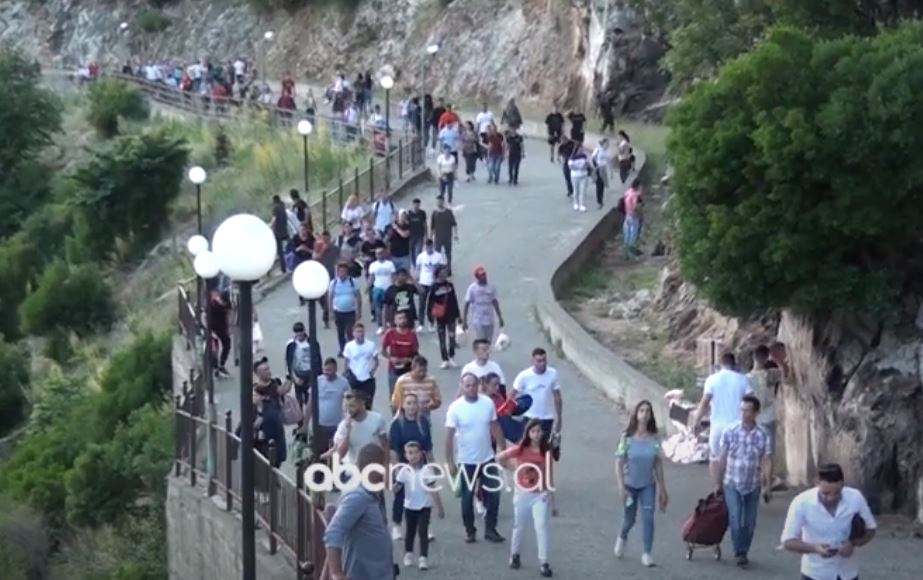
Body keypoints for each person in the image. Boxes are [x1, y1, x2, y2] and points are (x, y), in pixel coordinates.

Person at [781, 463, 877, 580]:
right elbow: (788, 542)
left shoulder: (855, 498)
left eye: (837, 493)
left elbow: (871, 529)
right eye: (825, 493)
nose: (831, 498)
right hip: (815, 573)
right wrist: (815, 549)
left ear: (842, 484)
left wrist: (853, 543)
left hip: (847, 573)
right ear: (817, 483)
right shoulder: (801, 503)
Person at [445, 373, 508, 543]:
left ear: (478, 385)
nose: (471, 388)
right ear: (462, 386)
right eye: (467, 386)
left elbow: (495, 426)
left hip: (487, 458)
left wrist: (503, 450)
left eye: (473, 385)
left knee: (494, 494)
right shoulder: (455, 408)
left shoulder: (487, 403)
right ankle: (470, 530)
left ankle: (490, 529)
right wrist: (450, 462)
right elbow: (449, 437)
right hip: (466, 461)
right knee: (467, 497)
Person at [715, 394, 772, 568]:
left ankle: (744, 549)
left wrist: (766, 486)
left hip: (753, 483)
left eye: (748, 410)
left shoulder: (763, 434)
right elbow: (722, 457)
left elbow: (766, 460)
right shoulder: (730, 431)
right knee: (735, 517)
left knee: (749, 522)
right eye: (742, 410)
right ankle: (738, 551)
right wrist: (718, 483)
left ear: (756, 412)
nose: (744, 414)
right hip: (732, 481)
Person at [323, 443, 395, 580]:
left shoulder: (371, 494)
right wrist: (336, 573)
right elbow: (333, 532)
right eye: (387, 465)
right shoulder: (358, 497)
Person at [613, 400, 669, 567]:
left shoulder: (654, 438)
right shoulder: (627, 437)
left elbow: (658, 464)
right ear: (636, 415)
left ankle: (646, 553)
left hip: (648, 485)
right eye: (641, 411)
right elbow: (619, 462)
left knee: (648, 518)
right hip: (630, 485)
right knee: (629, 519)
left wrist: (663, 489)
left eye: (648, 411)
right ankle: (622, 536)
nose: (644, 414)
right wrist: (621, 486)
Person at [497, 419, 555, 577]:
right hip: (523, 493)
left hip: (540, 494)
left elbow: (550, 476)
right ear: (528, 433)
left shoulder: (546, 452)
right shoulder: (520, 449)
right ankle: (514, 554)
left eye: (539, 431)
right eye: (533, 431)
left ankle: (544, 562)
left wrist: (552, 499)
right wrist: (514, 469)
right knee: (520, 525)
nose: (537, 434)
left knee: (541, 527)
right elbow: (500, 457)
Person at [692, 351, 753, 484]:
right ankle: (736, 488)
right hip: (737, 426)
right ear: (734, 363)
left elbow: (705, 402)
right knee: (737, 460)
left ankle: (717, 488)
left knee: (715, 458)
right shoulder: (743, 379)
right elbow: (751, 401)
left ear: (720, 364)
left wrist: (696, 421)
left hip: (718, 427)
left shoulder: (712, 380)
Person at [389, 394, 435, 541]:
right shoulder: (397, 424)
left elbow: (428, 447)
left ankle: (425, 526)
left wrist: (433, 466)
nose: (412, 406)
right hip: (403, 464)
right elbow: (394, 450)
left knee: (424, 495)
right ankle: (397, 525)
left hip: (421, 465)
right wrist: (396, 469)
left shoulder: (423, 422)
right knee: (401, 495)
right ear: (403, 405)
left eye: (414, 403)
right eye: (408, 403)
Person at [394, 441, 445, 570]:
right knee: (410, 531)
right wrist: (390, 483)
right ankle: (408, 554)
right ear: (406, 456)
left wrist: (440, 507)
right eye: (410, 453)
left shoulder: (426, 470)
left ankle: (423, 557)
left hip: (424, 506)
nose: (414, 456)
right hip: (410, 506)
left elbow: (432, 489)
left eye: (416, 452)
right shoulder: (404, 471)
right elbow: (396, 489)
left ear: (422, 454)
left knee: (423, 531)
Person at [509, 348, 562, 441]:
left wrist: (559, 417)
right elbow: (511, 395)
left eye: (544, 360)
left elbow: (557, 397)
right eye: (539, 360)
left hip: (547, 418)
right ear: (533, 361)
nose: (542, 363)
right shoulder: (524, 376)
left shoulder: (553, 373)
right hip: (529, 417)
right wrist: (510, 413)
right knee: (528, 447)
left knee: (543, 447)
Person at [327, 390, 389, 467]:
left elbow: (385, 444)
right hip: (352, 468)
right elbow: (340, 455)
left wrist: (386, 465)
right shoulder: (343, 426)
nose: (349, 410)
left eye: (352, 406)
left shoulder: (378, 419)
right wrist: (347, 431)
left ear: (362, 403)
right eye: (346, 407)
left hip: (374, 466)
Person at [747, 345, 781, 454]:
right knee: (768, 453)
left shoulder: (745, 379)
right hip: (769, 418)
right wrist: (778, 361)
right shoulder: (771, 374)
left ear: (753, 356)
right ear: (767, 358)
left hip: (752, 419)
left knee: (753, 452)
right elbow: (787, 374)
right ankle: (766, 472)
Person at [427, 265, 461, 369]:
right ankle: (444, 359)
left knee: (452, 337)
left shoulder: (450, 285)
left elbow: (454, 299)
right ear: (438, 274)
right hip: (440, 317)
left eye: (446, 272)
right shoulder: (434, 287)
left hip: (451, 316)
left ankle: (451, 357)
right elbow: (430, 302)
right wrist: (430, 317)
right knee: (442, 339)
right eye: (443, 272)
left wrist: (458, 315)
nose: (445, 274)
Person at [381, 311, 419, 398]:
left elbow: (416, 353)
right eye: (399, 318)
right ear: (395, 321)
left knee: (410, 396)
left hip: (408, 370)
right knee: (394, 396)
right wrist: (391, 359)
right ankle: (395, 412)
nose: (402, 320)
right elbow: (383, 351)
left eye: (404, 318)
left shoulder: (412, 335)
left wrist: (409, 360)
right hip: (394, 370)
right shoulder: (390, 334)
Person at [313, 358, 350, 447]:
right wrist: (306, 424)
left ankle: (335, 461)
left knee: (336, 451)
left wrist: (348, 419)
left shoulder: (343, 383)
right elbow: (310, 402)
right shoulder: (317, 381)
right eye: (325, 370)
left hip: (337, 424)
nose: (327, 373)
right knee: (321, 449)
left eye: (329, 370)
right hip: (320, 424)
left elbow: (347, 402)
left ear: (335, 369)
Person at [463, 266, 505, 342]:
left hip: (489, 320)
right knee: (481, 342)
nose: (484, 277)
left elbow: (495, 302)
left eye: (484, 274)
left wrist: (500, 317)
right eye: (481, 275)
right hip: (478, 320)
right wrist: (464, 320)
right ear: (477, 277)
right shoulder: (472, 288)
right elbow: (467, 304)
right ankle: (482, 353)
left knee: (489, 342)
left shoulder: (491, 287)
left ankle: (486, 354)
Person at [343, 323, 379, 409]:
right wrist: (348, 374)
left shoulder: (371, 345)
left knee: (368, 405)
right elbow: (346, 361)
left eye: (362, 331)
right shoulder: (349, 346)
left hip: (367, 379)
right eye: (358, 331)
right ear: (353, 333)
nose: (360, 334)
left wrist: (372, 372)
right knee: (354, 404)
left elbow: (376, 361)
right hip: (354, 379)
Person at [329, 262, 362, 356]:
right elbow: (330, 297)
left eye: (344, 271)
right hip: (338, 311)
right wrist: (331, 312)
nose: (342, 274)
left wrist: (359, 311)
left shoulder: (353, 282)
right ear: (338, 272)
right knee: (340, 332)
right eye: (340, 271)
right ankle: (342, 349)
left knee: (350, 331)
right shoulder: (334, 283)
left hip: (350, 311)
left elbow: (358, 297)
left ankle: (351, 349)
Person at [414, 239, 446, 331]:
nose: (428, 249)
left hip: (434, 283)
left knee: (432, 305)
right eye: (427, 247)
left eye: (430, 247)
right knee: (422, 304)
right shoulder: (421, 256)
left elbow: (443, 268)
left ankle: (431, 323)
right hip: (423, 282)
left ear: (433, 246)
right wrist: (416, 281)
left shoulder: (438, 256)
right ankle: (421, 323)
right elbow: (417, 269)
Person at [285, 322, 319, 406]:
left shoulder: (312, 342)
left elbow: (318, 360)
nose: (299, 334)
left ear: (304, 331)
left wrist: (316, 376)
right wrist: (293, 377)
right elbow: (289, 362)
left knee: (310, 399)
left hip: (310, 373)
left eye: (301, 331)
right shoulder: (291, 344)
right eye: (297, 332)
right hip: (298, 373)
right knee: (298, 400)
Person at [367, 247, 396, 334]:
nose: (380, 255)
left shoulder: (390, 264)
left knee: (390, 308)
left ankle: (389, 323)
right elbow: (371, 278)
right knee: (378, 308)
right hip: (378, 288)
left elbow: (393, 276)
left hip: (389, 287)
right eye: (378, 253)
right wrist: (367, 288)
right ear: (376, 255)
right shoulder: (373, 265)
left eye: (381, 253)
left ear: (384, 254)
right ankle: (380, 325)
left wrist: (395, 286)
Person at [206, 289, 232, 378]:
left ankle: (222, 365)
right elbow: (205, 317)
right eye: (222, 303)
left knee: (227, 344)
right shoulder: (212, 304)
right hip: (212, 328)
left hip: (223, 327)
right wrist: (210, 331)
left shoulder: (227, 303)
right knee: (214, 349)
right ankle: (216, 368)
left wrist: (229, 327)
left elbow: (229, 314)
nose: (223, 305)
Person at [430, 195, 458, 275]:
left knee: (448, 254)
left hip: (447, 237)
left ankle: (449, 270)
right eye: (438, 201)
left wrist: (455, 234)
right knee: (437, 255)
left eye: (440, 201)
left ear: (443, 201)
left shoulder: (449, 212)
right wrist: (430, 237)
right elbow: (432, 227)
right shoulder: (434, 213)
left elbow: (454, 224)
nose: (439, 203)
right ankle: (438, 271)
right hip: (438, 238)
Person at [621, 178, 643, 259]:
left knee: (627, 235)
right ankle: (632, 253)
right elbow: (636, 207)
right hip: (634, 217)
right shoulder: (635, 195)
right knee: (633, 236)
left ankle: (625, 254)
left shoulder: (628, 192)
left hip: (627, 216)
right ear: (638, 186)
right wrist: (640, 215)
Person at [269, 195, 290, 273]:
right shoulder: (282, 206)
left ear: (274, 201)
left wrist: (270, 226)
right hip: (284, 230)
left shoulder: (275, 208)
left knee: (280, 251)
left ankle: (283, 268)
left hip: (277, 232)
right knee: (289, 245)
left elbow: (274, 219)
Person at [568, 144, 590, 212]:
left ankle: (582, 205)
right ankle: (576, 203)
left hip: (584, 175)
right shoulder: (572, 157)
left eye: (582, 149)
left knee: (583, 191)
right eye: (580, 149)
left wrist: (585, 166)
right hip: (575, 176)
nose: (582, 150)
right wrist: (579, 167)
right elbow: (571, 166)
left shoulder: (584, 156)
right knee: (576, 190)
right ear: (577, 149)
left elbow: (587, 164)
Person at [591, 138, 611, 209]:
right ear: (603, 144)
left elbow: (609, 161)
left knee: (603, 185)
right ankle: (599, 202)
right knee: (598, 185)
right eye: (606, 144)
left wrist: (611, 173)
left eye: (608, 144)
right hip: (598, 168)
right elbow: (593, 158)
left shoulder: (607, 152)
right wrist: (596, 166)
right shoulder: (598, 150)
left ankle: (601, 200)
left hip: (604, 169)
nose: (608, 145)